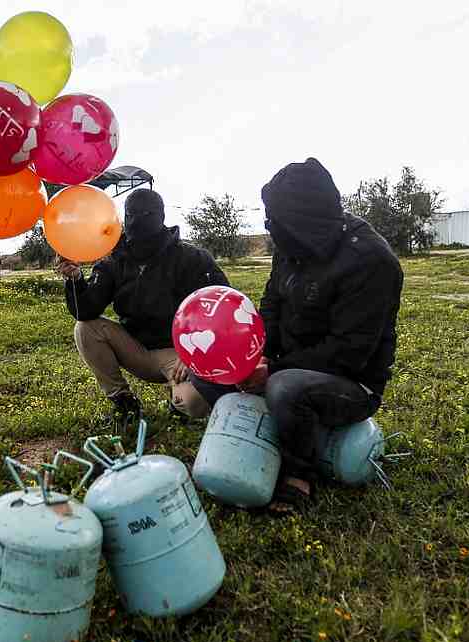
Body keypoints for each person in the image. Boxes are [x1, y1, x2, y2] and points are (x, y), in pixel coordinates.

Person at [192, 157, 404, 512]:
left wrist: (272, 372)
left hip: (350, 384)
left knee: (285, 388)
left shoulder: (371, 262)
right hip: (283, 366)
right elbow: (271, 306)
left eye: (276, 221)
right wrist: (254, 356)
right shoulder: (294, 247)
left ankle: (298, 476)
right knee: (211, 370)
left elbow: (348, 353)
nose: (271, 228)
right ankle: (257, 437)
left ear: (304, 221)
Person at [56, 188, 230, 423]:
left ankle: (177, 401)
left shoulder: (192, 258)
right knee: (85, 328)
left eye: (146, 214)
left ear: (161, 217)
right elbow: (86, 311)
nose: (138, 220)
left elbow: (222, 307)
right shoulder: (114, 260)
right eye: (132, 214)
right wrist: (75, 280)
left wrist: (195, 354)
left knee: (193, 403)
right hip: (136, 349)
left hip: (178, 354)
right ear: (125, 217)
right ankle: (123, 401)